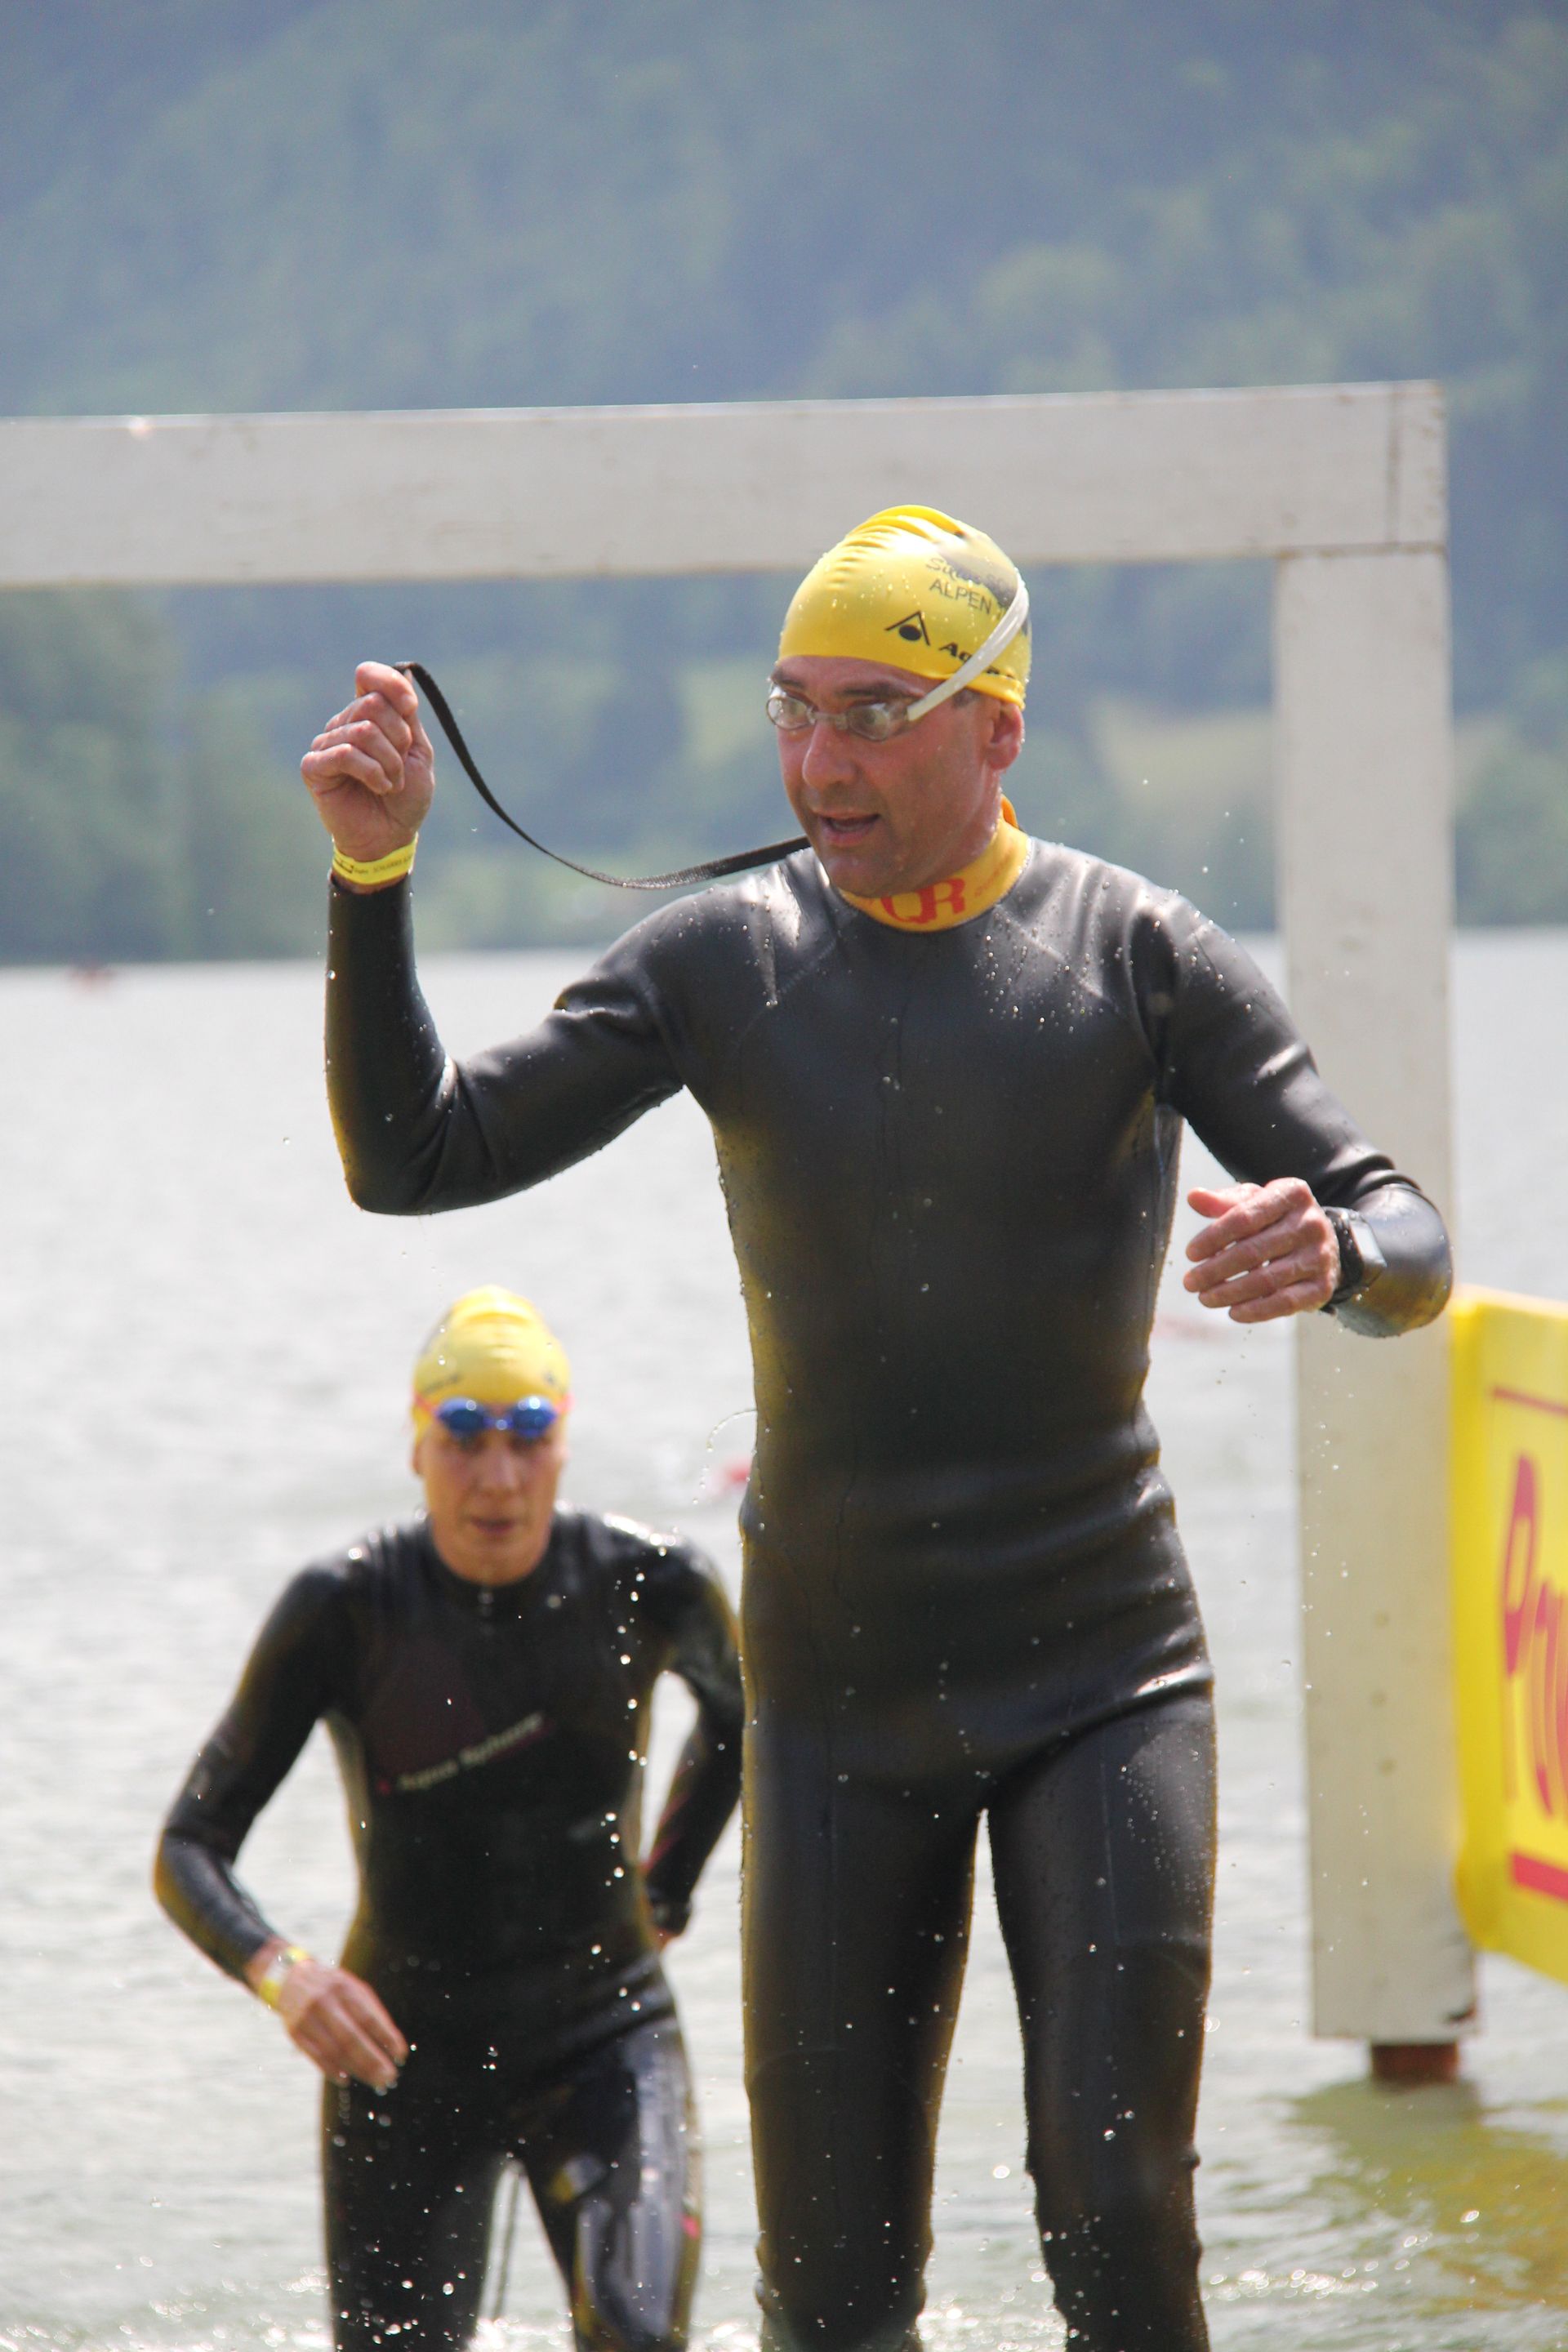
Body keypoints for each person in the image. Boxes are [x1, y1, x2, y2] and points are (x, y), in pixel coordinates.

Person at [300, 506, 1451, 2352]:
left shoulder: (1135, 952)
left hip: (1103, 1679)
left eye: (873, 714)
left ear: (998, 727)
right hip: (839, 1703)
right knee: (832, 2297)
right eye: (795, 708)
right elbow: (413, 1156)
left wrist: (1336, 1254)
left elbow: (1409, 1235)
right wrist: (374, 877)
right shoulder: (722, 962)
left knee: (1116, 2214)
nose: (820, 761)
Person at [156, 1286, 742, 2352]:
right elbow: (190, 1846)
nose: (498, 1478)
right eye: (465, 1438)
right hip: (401, 2058)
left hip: (605, 2039)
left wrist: (667, 1890)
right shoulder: (345, 1608)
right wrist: (285, 1975)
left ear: (564, 1447)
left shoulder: (649, 1583)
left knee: (634, 2333)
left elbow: (744, 1722)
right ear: (418, 1447)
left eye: (528, 1437)